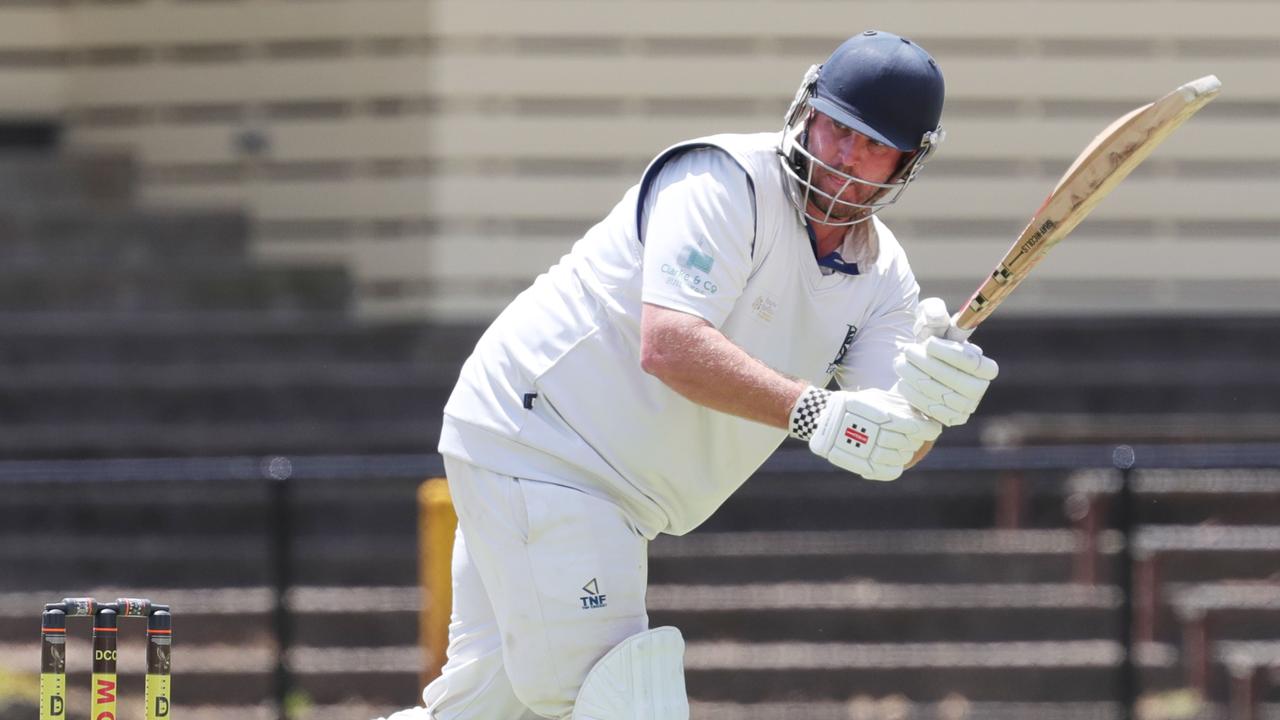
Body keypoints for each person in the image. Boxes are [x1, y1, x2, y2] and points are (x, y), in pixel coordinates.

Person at [379, 29, 999, 720]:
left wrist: (929, 400)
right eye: (834, 128)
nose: (843, 158)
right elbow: (670, 345)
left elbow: (887, 444)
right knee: (617, 700)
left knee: (483, 714)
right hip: (544, 442)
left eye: (871, 144)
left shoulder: (885, 281)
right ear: (807, 112)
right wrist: (815, 413)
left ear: (907, 163)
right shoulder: (723, 182)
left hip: (600, 486)